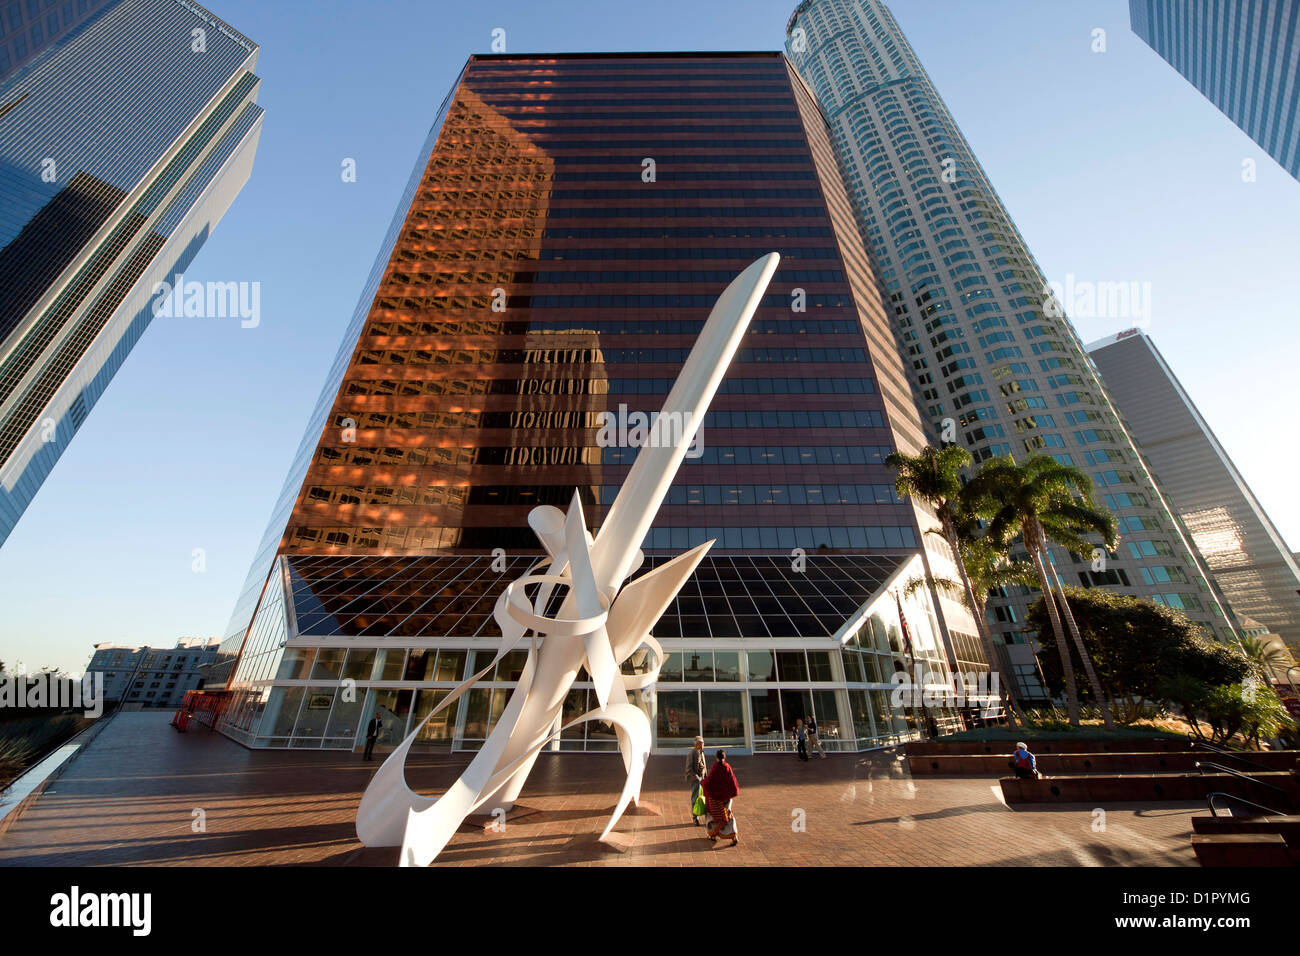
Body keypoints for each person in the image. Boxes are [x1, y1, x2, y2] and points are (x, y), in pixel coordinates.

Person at [702, 749, 740, 847]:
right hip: (726, 797)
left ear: (716, 758)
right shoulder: (727, 767)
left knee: (713, 816)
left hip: (715, 798)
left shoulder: (715, 767)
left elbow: (710, 782)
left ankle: (713, 835)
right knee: (728, 815)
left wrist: (703, 782)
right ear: (724, 757)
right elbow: (733, 781)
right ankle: (734, 836)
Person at [685, 735, 707, 825]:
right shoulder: (692, 753)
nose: (702, 745)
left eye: (702, 743)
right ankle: (695, 818)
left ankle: (706, 817)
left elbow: (704, 765)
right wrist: (696, 778)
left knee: (704, 798)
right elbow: (688, 768)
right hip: (696, 779)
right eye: (700, 744)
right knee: (695, 798)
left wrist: (705, 774)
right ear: (696, 744)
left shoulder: (701, 752)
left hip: (702, 778)